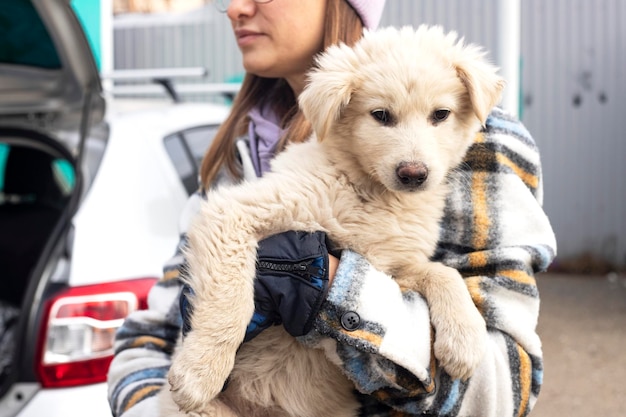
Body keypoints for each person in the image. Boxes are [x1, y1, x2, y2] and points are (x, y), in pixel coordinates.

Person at [107, 0, 557, 416]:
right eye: (382, 117)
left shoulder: (480, 140)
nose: (237, 8)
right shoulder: (234, 155)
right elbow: (149, 337)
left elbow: (504, 392)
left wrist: (334, 289)